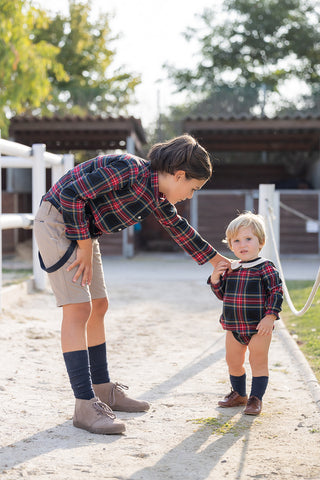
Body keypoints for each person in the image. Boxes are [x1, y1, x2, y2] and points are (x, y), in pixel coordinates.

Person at [34, 134, 230, 435]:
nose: (190, 196)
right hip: (59, 224)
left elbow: (178, 227)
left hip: (83, 232)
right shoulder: (130, 169)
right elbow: (72, 194)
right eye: (192, 188)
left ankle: (102, 389)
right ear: (179, 175)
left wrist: (217, 260)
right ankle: (84, 405)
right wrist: (84, 246)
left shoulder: (156, 194)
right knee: (78, 309)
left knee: (99, 305)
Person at [207, 212, 283, 415]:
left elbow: (276, 292)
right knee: (233, 361)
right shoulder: (232, 268)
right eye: (236, 241)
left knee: (257, 361)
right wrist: (216, 279)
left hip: (259, 327)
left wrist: (270, 316)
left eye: (248, 239)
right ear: (231, 246)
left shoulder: (265, 267)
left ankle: (255, 399)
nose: (243, 244)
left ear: (261, 242)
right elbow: (223, 295)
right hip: (233, 326)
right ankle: (239, 393)